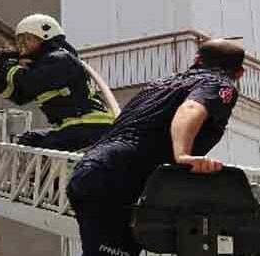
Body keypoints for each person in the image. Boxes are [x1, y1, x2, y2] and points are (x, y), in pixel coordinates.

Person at [66, 38, 245, 256]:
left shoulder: (158, 84)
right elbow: (190, 109)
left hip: (93, 170)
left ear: (197, 60)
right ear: (239, 73)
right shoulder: (220, 83)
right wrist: (183, 155)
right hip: (118, 177)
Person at [0, 14, 114, 151]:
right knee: (29, 140)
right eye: (19, 41)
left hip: (91, 126)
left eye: (27, 39)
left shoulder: (61, 58)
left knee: (44, 147)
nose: (22, 45)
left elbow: (29, 83)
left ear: (46, 36)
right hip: (72, 128)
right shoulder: (43, 66)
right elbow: (20, 96)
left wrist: (6, 66)